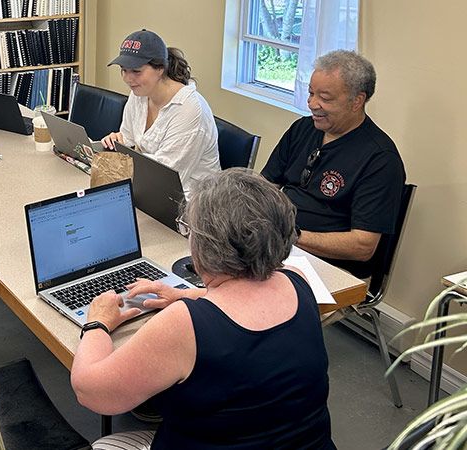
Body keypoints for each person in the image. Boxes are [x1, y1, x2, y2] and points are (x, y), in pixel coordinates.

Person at [71, 168, 335, 450]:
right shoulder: (297, 281)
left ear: (205, 243)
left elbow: (91, 391)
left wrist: (97, 323)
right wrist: (184, 294)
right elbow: (245, 308)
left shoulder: (184, 324)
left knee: (107, 443)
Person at [262, 50, 406, 279]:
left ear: (357, 101)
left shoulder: (380, 159)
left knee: (244, 299)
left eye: (325, 98)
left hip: (327, 265)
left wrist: (288, 236)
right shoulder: (302, 129)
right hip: (277, 246)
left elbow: (363, 246)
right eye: (310, 93)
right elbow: (265, 185)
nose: (312, 104)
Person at [100, 29, 220, 195]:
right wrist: (117, 141)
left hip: (190, 202)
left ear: (160, 69)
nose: (127, 78)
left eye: (136, 71)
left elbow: (166, 176)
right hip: (150, 187)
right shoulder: (139, 93)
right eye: (124, 69)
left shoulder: (189, 110)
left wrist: (119, 164)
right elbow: (127, 138)